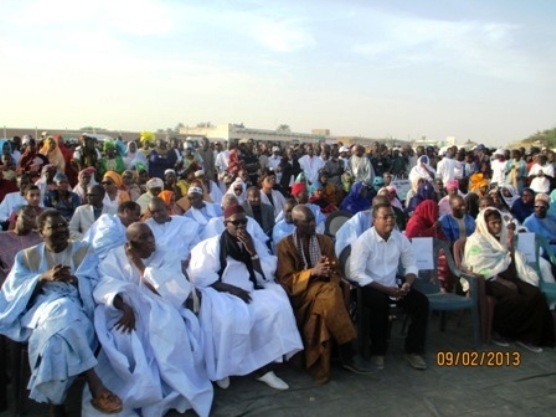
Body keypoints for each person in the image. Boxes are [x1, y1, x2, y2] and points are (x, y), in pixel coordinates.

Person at [0, 210, 122, 416]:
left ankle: (56, 403)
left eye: (63, 225)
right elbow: (11, 293)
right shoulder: (27, 257)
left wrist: (76, 280)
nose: (60, 230)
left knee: (57, 340)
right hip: (42, 307)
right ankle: (94, 382)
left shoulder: (84, 250)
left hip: (78, 306)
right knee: (62, 311)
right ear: (41, 232)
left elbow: (95, 281)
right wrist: (42, 279)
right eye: (53, 227)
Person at [92, 222, 213, 416]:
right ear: (130, 243)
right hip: (126, 307)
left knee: (166, 331)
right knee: (124, 336)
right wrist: (125, 307)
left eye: (151, 235)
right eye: (144, 238)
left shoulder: (166, 254)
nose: (151, 240)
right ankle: (141, 389)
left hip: (161, 305)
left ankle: (172, 387)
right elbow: (106, 284)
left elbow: (172, 289)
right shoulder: (115, 257)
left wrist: (140, 266)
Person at [187, 204, 303, 390]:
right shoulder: (212, 245)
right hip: (221, 291)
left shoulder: (253, 242)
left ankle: (262, 368)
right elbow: (201, 276)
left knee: (277, 308)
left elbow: (264, 273)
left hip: (251, 288)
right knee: (229, 319)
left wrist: (253, 253)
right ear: (226, 224)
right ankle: (223, 369)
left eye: (244, 222)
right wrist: (233, 290)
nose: (240, 226)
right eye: (236, 223)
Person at [275, 205, 371, 383]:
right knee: (330, 293)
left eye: (313, 220)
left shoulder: (324, 241)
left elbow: (336, 270)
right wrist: (312, 272)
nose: (313, 224)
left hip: (324, 290)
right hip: (301, 295)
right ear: (296, 223)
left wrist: (327, 271)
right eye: (307, 221)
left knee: (324, 303)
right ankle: (348, 350)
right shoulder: (284, 246)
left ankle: (322, 363)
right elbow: (286, 280)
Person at [349, 200, 429, 370]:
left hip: (394, 286)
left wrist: (407, 284)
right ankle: (378, 352)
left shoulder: (400, 239)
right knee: (380, 303)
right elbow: (355, 273)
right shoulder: (365, 241)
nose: (389, 221)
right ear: (374, 220)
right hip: (368, 288)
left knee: (421, 303)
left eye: (392, 216)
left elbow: (411, 264)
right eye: (385, 217)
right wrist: (385, 289)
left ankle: (413, 351)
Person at [462, 208, 555, 351]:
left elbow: (510, 259)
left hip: (509, 275)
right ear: (484, 223)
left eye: (499, 222)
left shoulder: (503, 236)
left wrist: (511, 248)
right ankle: (501, 332)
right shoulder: (476, 241)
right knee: (512, 298)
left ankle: (530, 337)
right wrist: (503, 281)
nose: (497, 226)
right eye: (493, 223)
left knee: (535, 294)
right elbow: (479, 268)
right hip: (488, 280)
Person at [201, 194, 268, 245]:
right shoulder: (214, 223)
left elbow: (262, 241)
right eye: (229, 209)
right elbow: (210, 246)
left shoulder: (250, 221)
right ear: (222, 209)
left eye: (236, 207)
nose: (233, 212)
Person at [0, 206, 42, 284]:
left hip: (36, 279)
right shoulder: (2, 238)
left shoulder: (40, 237)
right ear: (16, 218)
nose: (29, 220)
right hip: (9, 281)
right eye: (26, 217)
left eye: (33, 217)